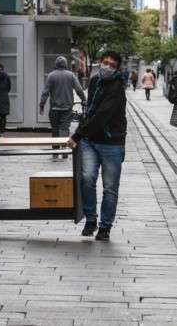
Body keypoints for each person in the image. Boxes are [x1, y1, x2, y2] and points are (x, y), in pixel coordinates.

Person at [66, 49, 127, 241]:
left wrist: (77, 135)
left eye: (112, 65)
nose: (107, 67)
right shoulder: (94, 81)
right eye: (105, 63)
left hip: (112, 143)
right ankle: (91, 218)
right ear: (100, 62)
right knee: (87, 178)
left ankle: (105, 226)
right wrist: (83, 131)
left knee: (110, 188)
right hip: (91, 141)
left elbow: (102, 115)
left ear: (117, 68)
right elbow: (90, 110)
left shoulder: (117, 87)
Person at [40, 56, 87, 159]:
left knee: (55, 129)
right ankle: (64, 150)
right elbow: (79, 89)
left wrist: (42, 105)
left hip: (54, 108)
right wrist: (84, 99)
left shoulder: (51, 76)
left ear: (55, 64)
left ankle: (55, 151)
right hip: (67, 108)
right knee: (65, 128)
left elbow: (45, 92)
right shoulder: (71, 75)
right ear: (66, 64)